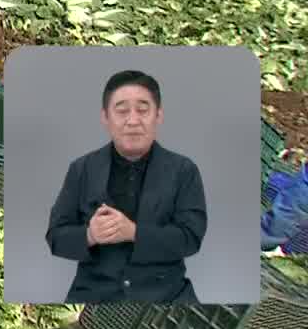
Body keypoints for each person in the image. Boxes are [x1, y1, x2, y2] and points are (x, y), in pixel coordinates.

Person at [46, 70, 207, 303]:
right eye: (121, 111)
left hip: (166, 296)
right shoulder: (83, 169)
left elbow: (191, 238)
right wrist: (90, 235)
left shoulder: (183, 171)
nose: (132, 120)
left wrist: (134, 233)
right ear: (105, 117)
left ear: (158, 115)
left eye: (143, 110)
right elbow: (56, 237)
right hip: (94, 295)